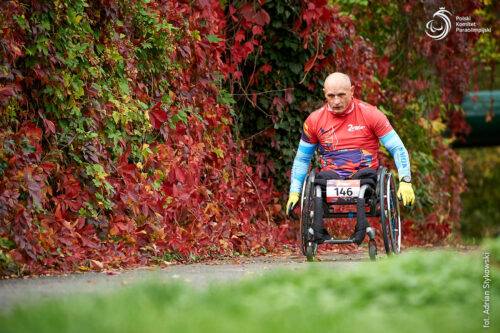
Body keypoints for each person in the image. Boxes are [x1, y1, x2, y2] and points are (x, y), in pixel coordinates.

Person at [285, 72, 415, 245]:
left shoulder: (371, 114)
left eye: (341, 95)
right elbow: (302, 159)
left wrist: (405, 181)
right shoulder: (314, 120)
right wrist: (295, 191)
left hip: (364, 174)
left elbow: (397, 147)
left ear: (352, 91)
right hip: (330, 176)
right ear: (324, 93)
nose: (336, 101)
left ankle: (361, 229)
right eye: (331, 96)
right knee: (318, 183)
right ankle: (318, 233)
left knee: (365, 179)